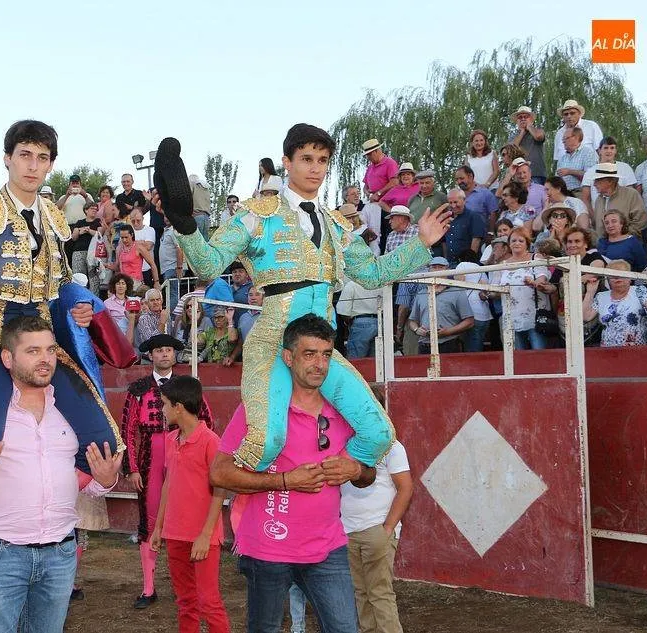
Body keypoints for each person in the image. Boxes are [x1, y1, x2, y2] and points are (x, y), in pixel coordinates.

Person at [155, 124, 448, 472]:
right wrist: (185, 225)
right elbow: (208, 263)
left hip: (321, 351)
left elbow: (372, 274)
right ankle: (247, 503)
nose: (315, 168)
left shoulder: (338, 226)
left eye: (322, 160)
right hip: (272, 344)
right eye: (307, 158)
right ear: (286, 162)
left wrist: (421, 244)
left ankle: (315, 489)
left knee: (379, 434)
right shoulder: (256, 215)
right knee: (266, 443)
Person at [0, 316, 122, 633]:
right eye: (32, 351)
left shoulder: (74, 410)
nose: (44, 359)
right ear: (7, 358)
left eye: (50, 350)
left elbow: (88, 482)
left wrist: (106, 480)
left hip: (60, 554)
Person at [210, 314, 377, 633]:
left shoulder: (344, 409)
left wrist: (355, 468)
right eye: (309, 354)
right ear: (288, 357)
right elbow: (219, 474)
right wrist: (286, 481)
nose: (319, 364)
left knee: (345, 629)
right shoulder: (258, 410)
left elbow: (368, 476)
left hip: (327, 547)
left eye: (326, 354)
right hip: (267, 548)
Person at [121, 334, 213, 609]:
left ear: (175, 355)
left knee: (187, 513)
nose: (164, 355)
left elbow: (205, 421)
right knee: (149, 519)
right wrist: (132, 468)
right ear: (150, 355)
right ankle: (149, 588)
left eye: (168, 350)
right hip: (151, 453)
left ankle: (186, 583)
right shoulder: (138, 388)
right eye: (159, 350)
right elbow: (128, 429)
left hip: (183, 450)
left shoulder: (188, 388)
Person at [149, 376, 230, 633]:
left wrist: (206, 534)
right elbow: (167, 485)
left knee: (209, 602)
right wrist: (159, 527)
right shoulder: (172, 440)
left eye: (164, 404)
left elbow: (220, 489)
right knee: (185, 601)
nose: (161, 410)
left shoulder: (210, 441)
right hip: (175, 535)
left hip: (202, 537)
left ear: (178, 407)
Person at [341, 439, 413, 633]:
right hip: (348, 530)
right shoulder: (344, 443)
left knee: (379, 593)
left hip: (377, 528)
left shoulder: (391, 445)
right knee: (361, 594)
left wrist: (387, 528)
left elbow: (405, 488)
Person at [407, 257, 475, 354]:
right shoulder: (421, 293)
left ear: (447, 271)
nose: (437, 270)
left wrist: (449, 331)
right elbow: (412, 321)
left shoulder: (457, 292)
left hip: (449, 343)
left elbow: (469, 321)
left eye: (441, 267)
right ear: (429, 270)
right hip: (425, 344)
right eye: (434, 267)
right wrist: (417, 329)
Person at [582, 260, 647, 347]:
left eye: (621, 274)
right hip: (608, 352)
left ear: (630, 277)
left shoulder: (639, 290)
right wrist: (590, 292)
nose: (617, 278)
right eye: (613, 275)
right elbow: (586, 317)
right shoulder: (601, 296)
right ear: (608, 279)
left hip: (637, 351)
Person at [498, 230, 550, 350]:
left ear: (527, 243)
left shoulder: (535, 257)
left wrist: (534, 282)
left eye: (521, 240)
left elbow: (543, 276)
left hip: (534, 316)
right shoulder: (503, 264)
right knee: (518, 359)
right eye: (513, 240)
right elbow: (496, 287)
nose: (517, 243)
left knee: (539, 354)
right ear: (509, 244)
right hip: (511, 316)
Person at [590, 163, 647, 237]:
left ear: (610, 181)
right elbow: (597, 226)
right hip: (604, 246)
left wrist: (622, 236)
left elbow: (641, 221)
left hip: (626, 244)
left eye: (597, 180)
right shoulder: (599, 200)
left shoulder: (630, 194)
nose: (594, 184)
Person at [579, 137, 638, 209]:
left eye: (612, 148)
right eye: (606, 148)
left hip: (621, 213)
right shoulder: (590, 172)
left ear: (616, 151)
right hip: (598, 214)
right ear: (599, 151)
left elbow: (630, 195)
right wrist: (594, 218)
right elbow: (585, 199)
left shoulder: (625, 168)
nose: (609, 151)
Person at [454, 251, 492, 352]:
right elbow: (485, 288)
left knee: (471, 349)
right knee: (478, 344)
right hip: (484, 314)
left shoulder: (461, 265)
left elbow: (459, 284)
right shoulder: (480, 269)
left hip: (469, 313)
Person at [337, 277, 380, 359]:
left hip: (359, 323)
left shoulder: (352, 285)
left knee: (356, 362)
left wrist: (349, 322)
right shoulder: (380, 285)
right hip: (379, 323)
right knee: (376, 363)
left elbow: (343, 311)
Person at [441, 188, 486, 264]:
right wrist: (446, 261)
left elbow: (476, 241)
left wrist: (469, 263)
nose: (453, 205)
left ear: (464, 200)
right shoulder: (446, 218)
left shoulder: (474, 216)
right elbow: (444, 242)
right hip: (450, 263)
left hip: (468, 264)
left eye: (456, 202)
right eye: (450, 203)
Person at [70, 202, 103, 295]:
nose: (94, 210)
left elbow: (99, 235)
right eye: (92, 208)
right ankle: (79, 296)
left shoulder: (98, 221)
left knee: (94, 278)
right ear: (86, 210)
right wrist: (80, 231)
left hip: (93, 252)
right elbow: (74, 237)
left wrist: (87, 230)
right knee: (78, 276)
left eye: (96, 209)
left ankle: (94, 298)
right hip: (79, 251)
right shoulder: (79, 222)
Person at [509, 106, 547, 184]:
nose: (523, 119)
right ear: (517, 121)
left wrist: (529, 127)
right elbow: (512, 148)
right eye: (520, 117)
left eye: (526, 117)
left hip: (536, 174)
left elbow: (538, 137)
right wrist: (522, 132)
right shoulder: (513, 136)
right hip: (519, 175)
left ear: (531, 119)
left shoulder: (538, 131)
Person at [227, 286, 263, 365]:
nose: (253, 298)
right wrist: (232, 357)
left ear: (263, 297)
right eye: (250, 295)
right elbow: (240, 343)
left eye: (257, 294)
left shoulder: (268, 315)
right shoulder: (243, 317)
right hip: (247, 361)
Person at [555, 127, 598, 192]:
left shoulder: (588, 153)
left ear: (576, 138)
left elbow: (590, 177)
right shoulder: (562, 158)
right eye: (563, 139)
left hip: (581, 193)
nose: (563, 141)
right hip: (564, 195)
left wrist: (570, 172)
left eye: (566, 138)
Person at [160, 216, 186, 314]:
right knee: (170, 293)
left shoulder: (175, 230)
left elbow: (179, 249)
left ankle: (173, 318)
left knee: (173, 293)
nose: (167, 218)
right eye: (165, 216)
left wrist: (179, 267)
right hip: (168, 268)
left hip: (173, 267)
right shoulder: (167, 230)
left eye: (169, 215)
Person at [103, 273, 137, 340]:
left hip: (132, 329)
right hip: (115, 333)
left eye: (123, 283)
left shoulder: (132, 301)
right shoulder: (107, 303)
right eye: (118, 284)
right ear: (114, 286)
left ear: (127, 287)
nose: (120, 286)